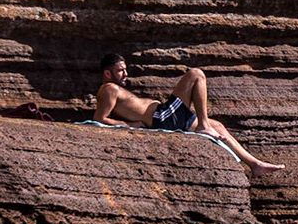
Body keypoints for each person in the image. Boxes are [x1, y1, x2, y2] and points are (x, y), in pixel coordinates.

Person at [94, 51, 284, 172]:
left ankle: (253, 164)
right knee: (196, 74)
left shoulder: (114, 89)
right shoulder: (110, 89)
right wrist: (129, 125)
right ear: (107, 73)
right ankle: (203, 125)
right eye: (120, 71)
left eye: (125, 69)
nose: (125, 74)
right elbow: (100, 118)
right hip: (161, 117)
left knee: (217, 125)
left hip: (163, 115)